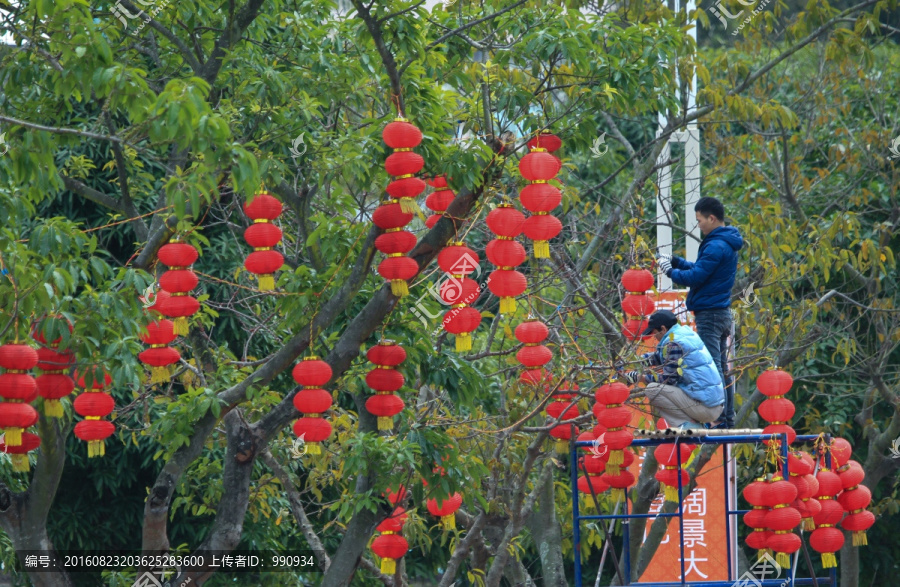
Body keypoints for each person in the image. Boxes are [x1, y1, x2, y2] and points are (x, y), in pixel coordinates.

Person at [657, 196, 743, 429]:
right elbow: (700, 269)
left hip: (711, 315)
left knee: (712, 368)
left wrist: (669, 271)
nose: (698, 225)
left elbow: (695, 277)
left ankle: (719, 417)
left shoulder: (716, 245)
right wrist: (676, 261)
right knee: (721, 367)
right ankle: (726, 417)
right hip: (720, 313)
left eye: (699, 220)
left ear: (711, 218)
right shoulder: (724, 241)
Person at [621, 310, 725, 428]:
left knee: (653, 390)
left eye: (655, 333)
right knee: (662, 388)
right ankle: (696, 423)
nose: (654, 337)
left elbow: (668, 380)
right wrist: (631, 362)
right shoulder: (684, 334)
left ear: (663, 329)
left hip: (705, 407)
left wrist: (638, 378)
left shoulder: (673, 344)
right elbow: (659, 357)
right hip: (714, 405)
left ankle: (690, 427)